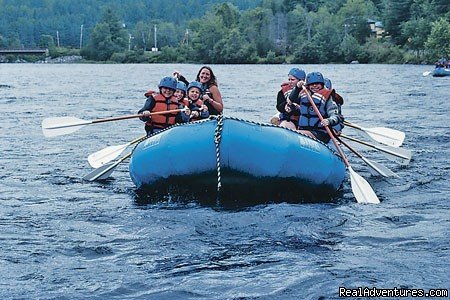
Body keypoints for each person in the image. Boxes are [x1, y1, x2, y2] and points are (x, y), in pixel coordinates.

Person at [288, 71, 343, 143]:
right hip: (304, 130)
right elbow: (292, 99)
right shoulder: (304, 94)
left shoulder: (328, 98)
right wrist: (297, 88)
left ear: (322, 84)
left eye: (317, 84)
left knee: (294, 134)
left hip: (321, 133)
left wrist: (328, 121)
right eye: (312, 84)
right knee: (293, 133)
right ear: (308, 85)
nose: (314, 86)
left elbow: (336, 116)